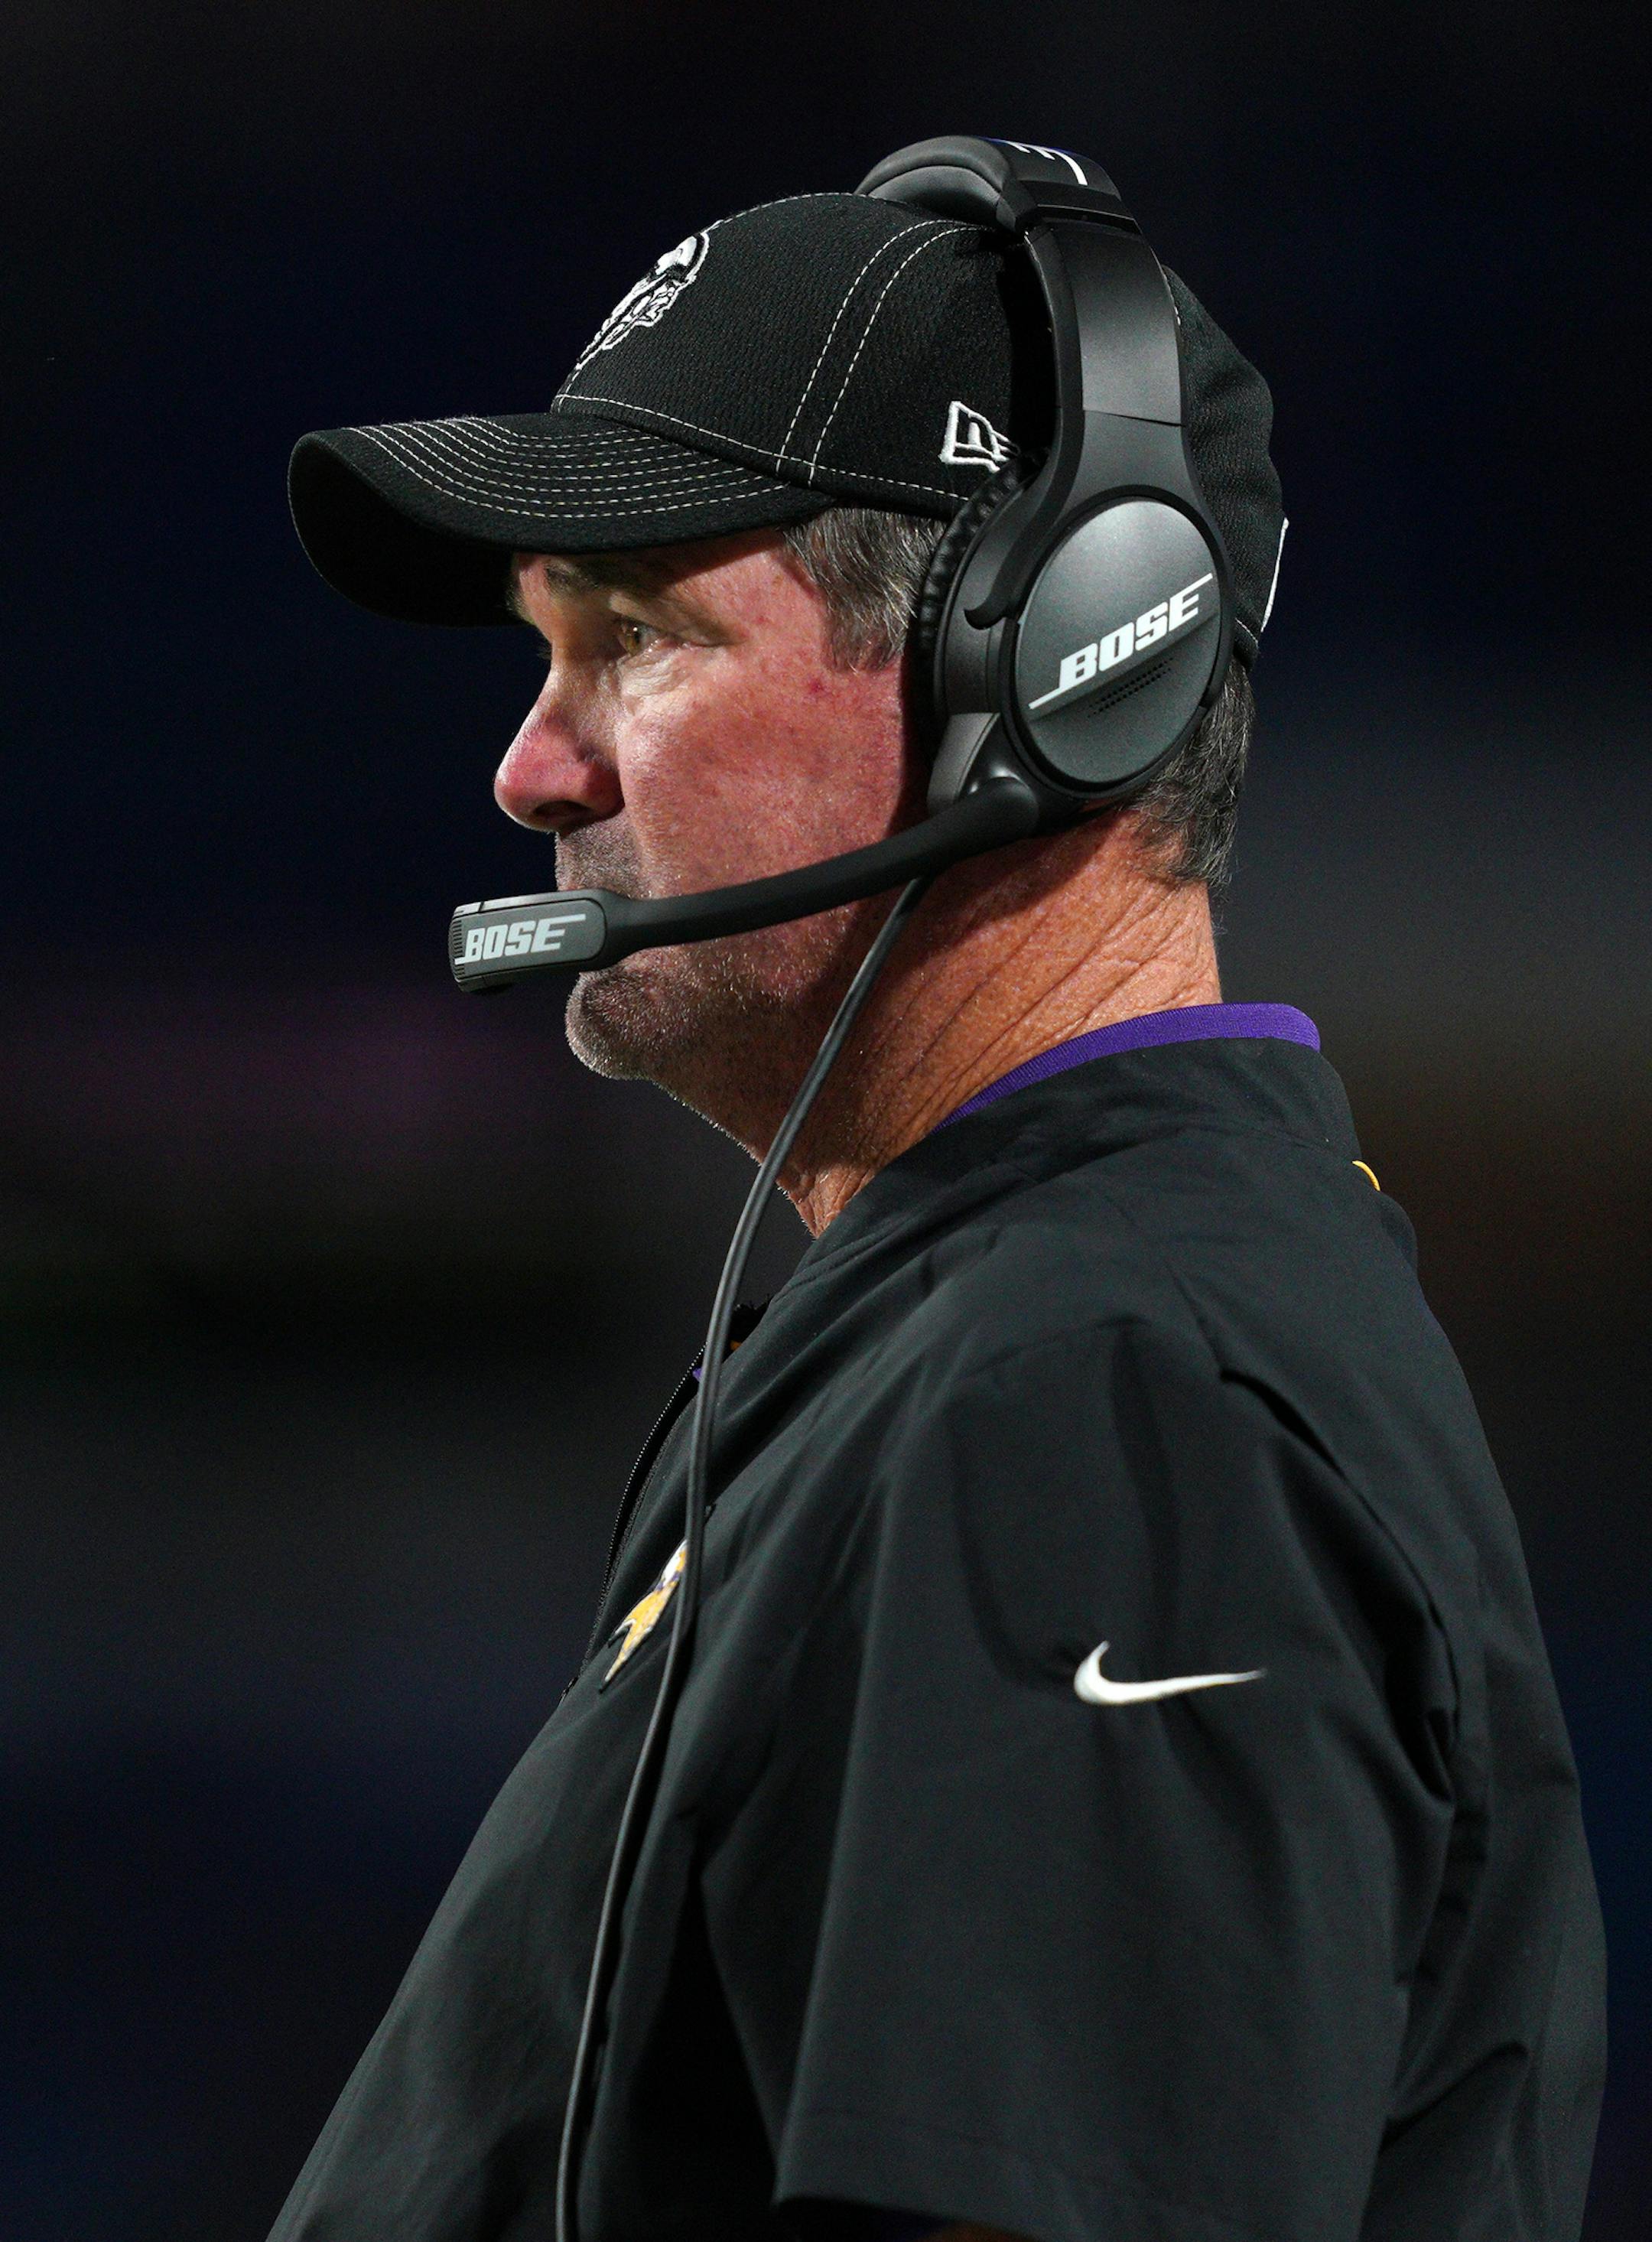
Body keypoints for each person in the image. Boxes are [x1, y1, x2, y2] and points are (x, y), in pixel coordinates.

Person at [274, 170, 1605, 2242]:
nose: (532, 769)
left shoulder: (1111, 1393)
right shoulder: (1009, 1335)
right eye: (549, 653)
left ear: (1058, 666)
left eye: (636, 640)